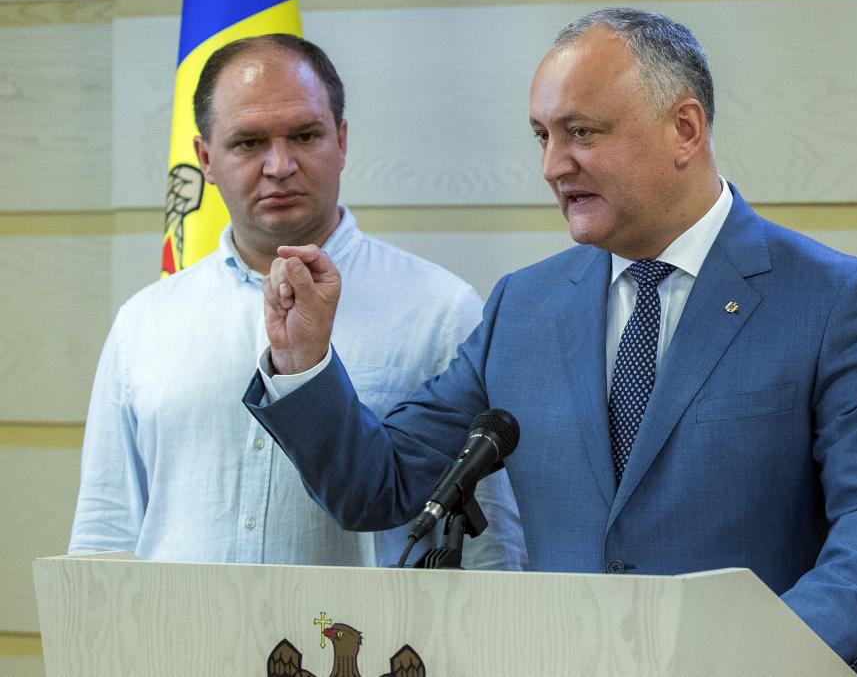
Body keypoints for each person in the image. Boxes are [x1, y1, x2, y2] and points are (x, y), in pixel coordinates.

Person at [243, 10, 857, 676]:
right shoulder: (524, 306)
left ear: (685, 128)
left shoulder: (834, 300)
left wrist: (758, 659)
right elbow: (382, 487)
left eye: (581, 132)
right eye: (541, 134)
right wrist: (302, 362)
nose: (552, 164)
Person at [68, 34, 526, 571]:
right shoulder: (145, 321)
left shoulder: (441, 309)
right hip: (176, 647)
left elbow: (492, 537)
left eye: (305, 135)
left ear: (342, 140)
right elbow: (107, 527)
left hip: (359, 651)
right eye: (248, 143)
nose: (280, 165)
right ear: (204, 158)